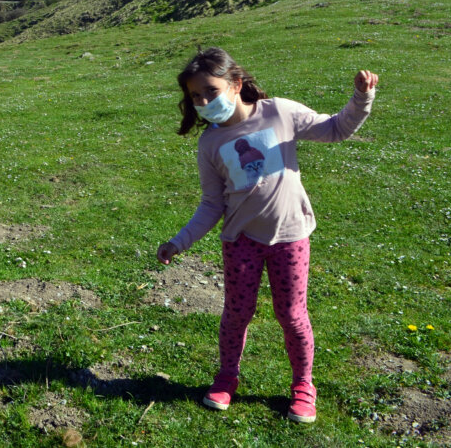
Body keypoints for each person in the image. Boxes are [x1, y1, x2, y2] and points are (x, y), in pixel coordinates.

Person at [156, 47, 378, 423]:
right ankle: (227, 378)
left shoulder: (279, 113)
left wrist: (361, 98)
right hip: (241, 242)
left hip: (291, 237)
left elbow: (337, 128)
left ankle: (303, 386)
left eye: (211, 91)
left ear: (236, 84)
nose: (204, 101)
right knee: (236, 314)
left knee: (291, 315)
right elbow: (212, 203)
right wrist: (180, 240)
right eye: (196, 96)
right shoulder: (209, 143)